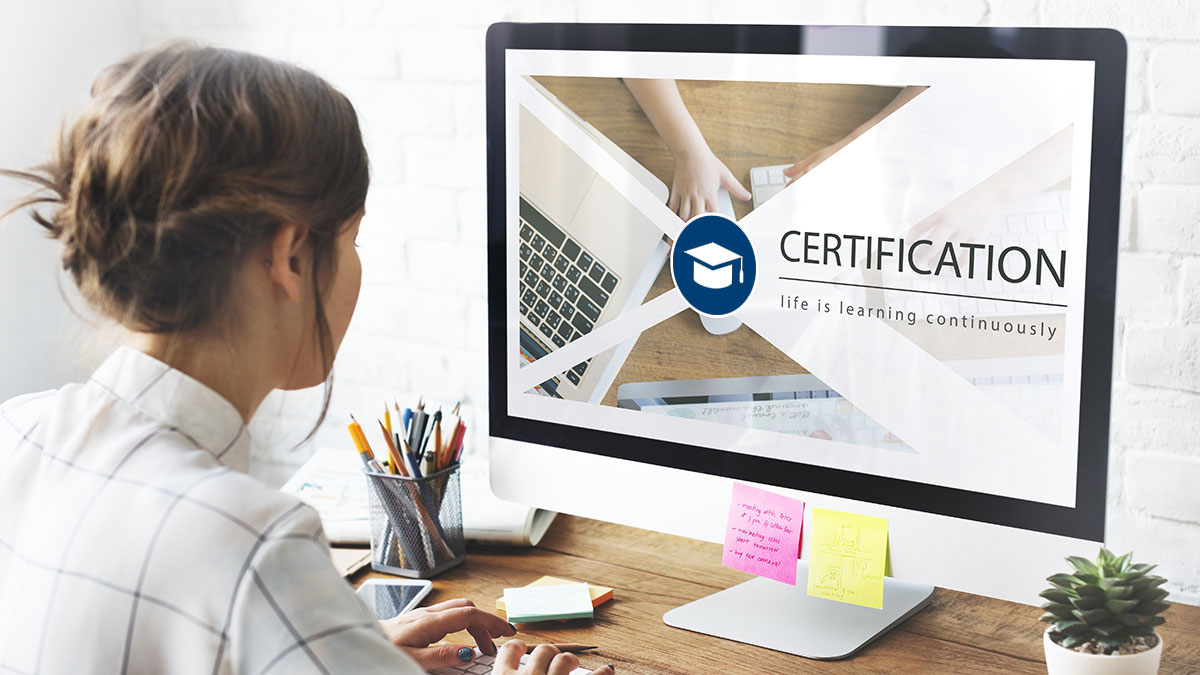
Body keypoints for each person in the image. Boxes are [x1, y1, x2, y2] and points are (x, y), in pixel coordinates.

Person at [0, 42, 612, 675]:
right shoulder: (255, 546)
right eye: (353, 239)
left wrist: (325, 642)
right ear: (290, 256)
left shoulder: (15, 432)